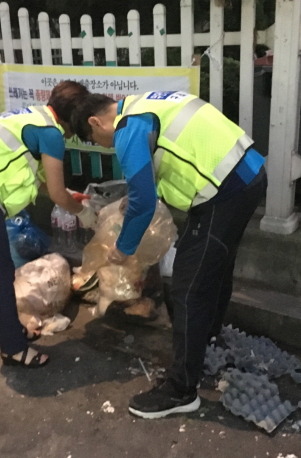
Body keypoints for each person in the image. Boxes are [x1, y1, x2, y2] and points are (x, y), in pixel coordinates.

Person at [71, 91, 267, 418]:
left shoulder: (127, 128)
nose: (103, 145)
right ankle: (209, 337)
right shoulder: (144, 105)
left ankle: (181, 390)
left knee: (187, 290)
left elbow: (144, 203)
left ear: (95, 121)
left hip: (225, 192)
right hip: (246, 174)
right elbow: (174, 159)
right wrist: (133, 198)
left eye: (94, 138)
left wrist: (124, 247)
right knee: (215, 267)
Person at [0, 81, 96, 368]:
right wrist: (83, 213)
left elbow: (41, 181)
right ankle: (13, 350)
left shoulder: (32, 118)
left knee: (0, 268)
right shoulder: (52, 133)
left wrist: (70, 196)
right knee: (1, 274)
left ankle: (13, 331)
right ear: (74, 116)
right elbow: (56, 193)